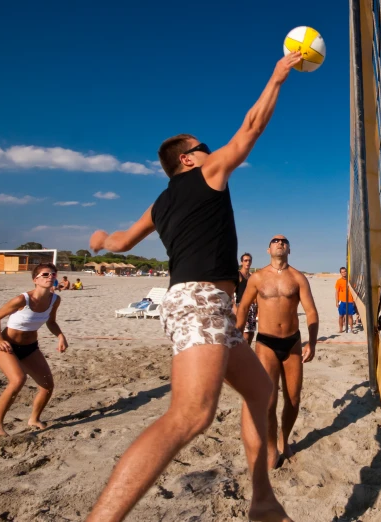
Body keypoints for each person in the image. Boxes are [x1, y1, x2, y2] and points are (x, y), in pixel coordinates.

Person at [85, 52, 301, 522]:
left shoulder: (160, 203)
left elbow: (120, 241)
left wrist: (100, 240)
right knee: (191, 416)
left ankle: (262, 501)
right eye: (203, 146)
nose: (211, 150)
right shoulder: (205, 174)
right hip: (200, 298)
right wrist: (278, 76)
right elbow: (250, 128)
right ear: (187, 158)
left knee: (261, 393)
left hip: (211, 304)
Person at [236, 235, 318, 469]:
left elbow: (311, 312)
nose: (279, 243)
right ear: (268, 249)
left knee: (293, 399)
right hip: (266, 343)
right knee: (269, 401)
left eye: (284, 241)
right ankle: (271, 446)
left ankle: (284, 438)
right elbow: (243, 307)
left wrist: (312, 341)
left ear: (289, 249)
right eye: (275, 241)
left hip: (292, 342)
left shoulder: (298, 278)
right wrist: (237, 336)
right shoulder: (258, 278)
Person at [0, 263, 67, 436]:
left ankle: (34, 419)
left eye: (53, 274)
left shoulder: (55, 299)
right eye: (45, 274)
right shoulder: (22, 300)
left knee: (47, 385)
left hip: (30, 348)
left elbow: (51, 322)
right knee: (18, 380)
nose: (50, 277)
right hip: (7, 347)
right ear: (35, 280)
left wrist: (60, 336)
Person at [234, 252, 258, 346]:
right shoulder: (238, 275)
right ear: (241, 262)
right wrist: (234, 308)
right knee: (245, 334)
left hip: (252, 307)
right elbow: (232, 294)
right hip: (241, 306)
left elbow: (256, 294)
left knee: (251, 333)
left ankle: (246, 352)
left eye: (249, 260)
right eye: (245, 260)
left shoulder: (252, 277)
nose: (248, 262)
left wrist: (257, 309)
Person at [335, 267, 355, 333]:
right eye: (342, 272)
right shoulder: (339, 281)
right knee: (341, 315)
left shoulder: (351, 280)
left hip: (350, 301)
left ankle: (351, 329)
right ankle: (341, 329)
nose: (344, 273)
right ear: (340, 273)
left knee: (350, 315)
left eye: (345, 271)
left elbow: (354, 291)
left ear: (347, 272)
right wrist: (337, 302)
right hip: (342, 301)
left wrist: (354, 301)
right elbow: (337, 292)